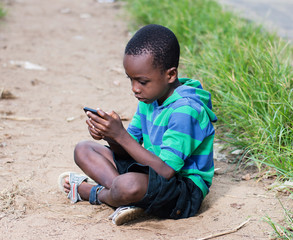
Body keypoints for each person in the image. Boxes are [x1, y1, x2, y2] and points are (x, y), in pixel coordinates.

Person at [59, 24, 217, 225]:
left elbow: (167, 170)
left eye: (142, 81)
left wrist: (121, 136)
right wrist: (110, 135)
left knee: (130, 184)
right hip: (151, 171)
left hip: (182, 189)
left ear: (170, 75)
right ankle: (124, 196)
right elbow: (127, 150)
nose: (135, 89)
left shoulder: (186, 111)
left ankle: (99, 194)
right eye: (131, 79)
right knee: (84, 149)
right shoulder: (150, 99)